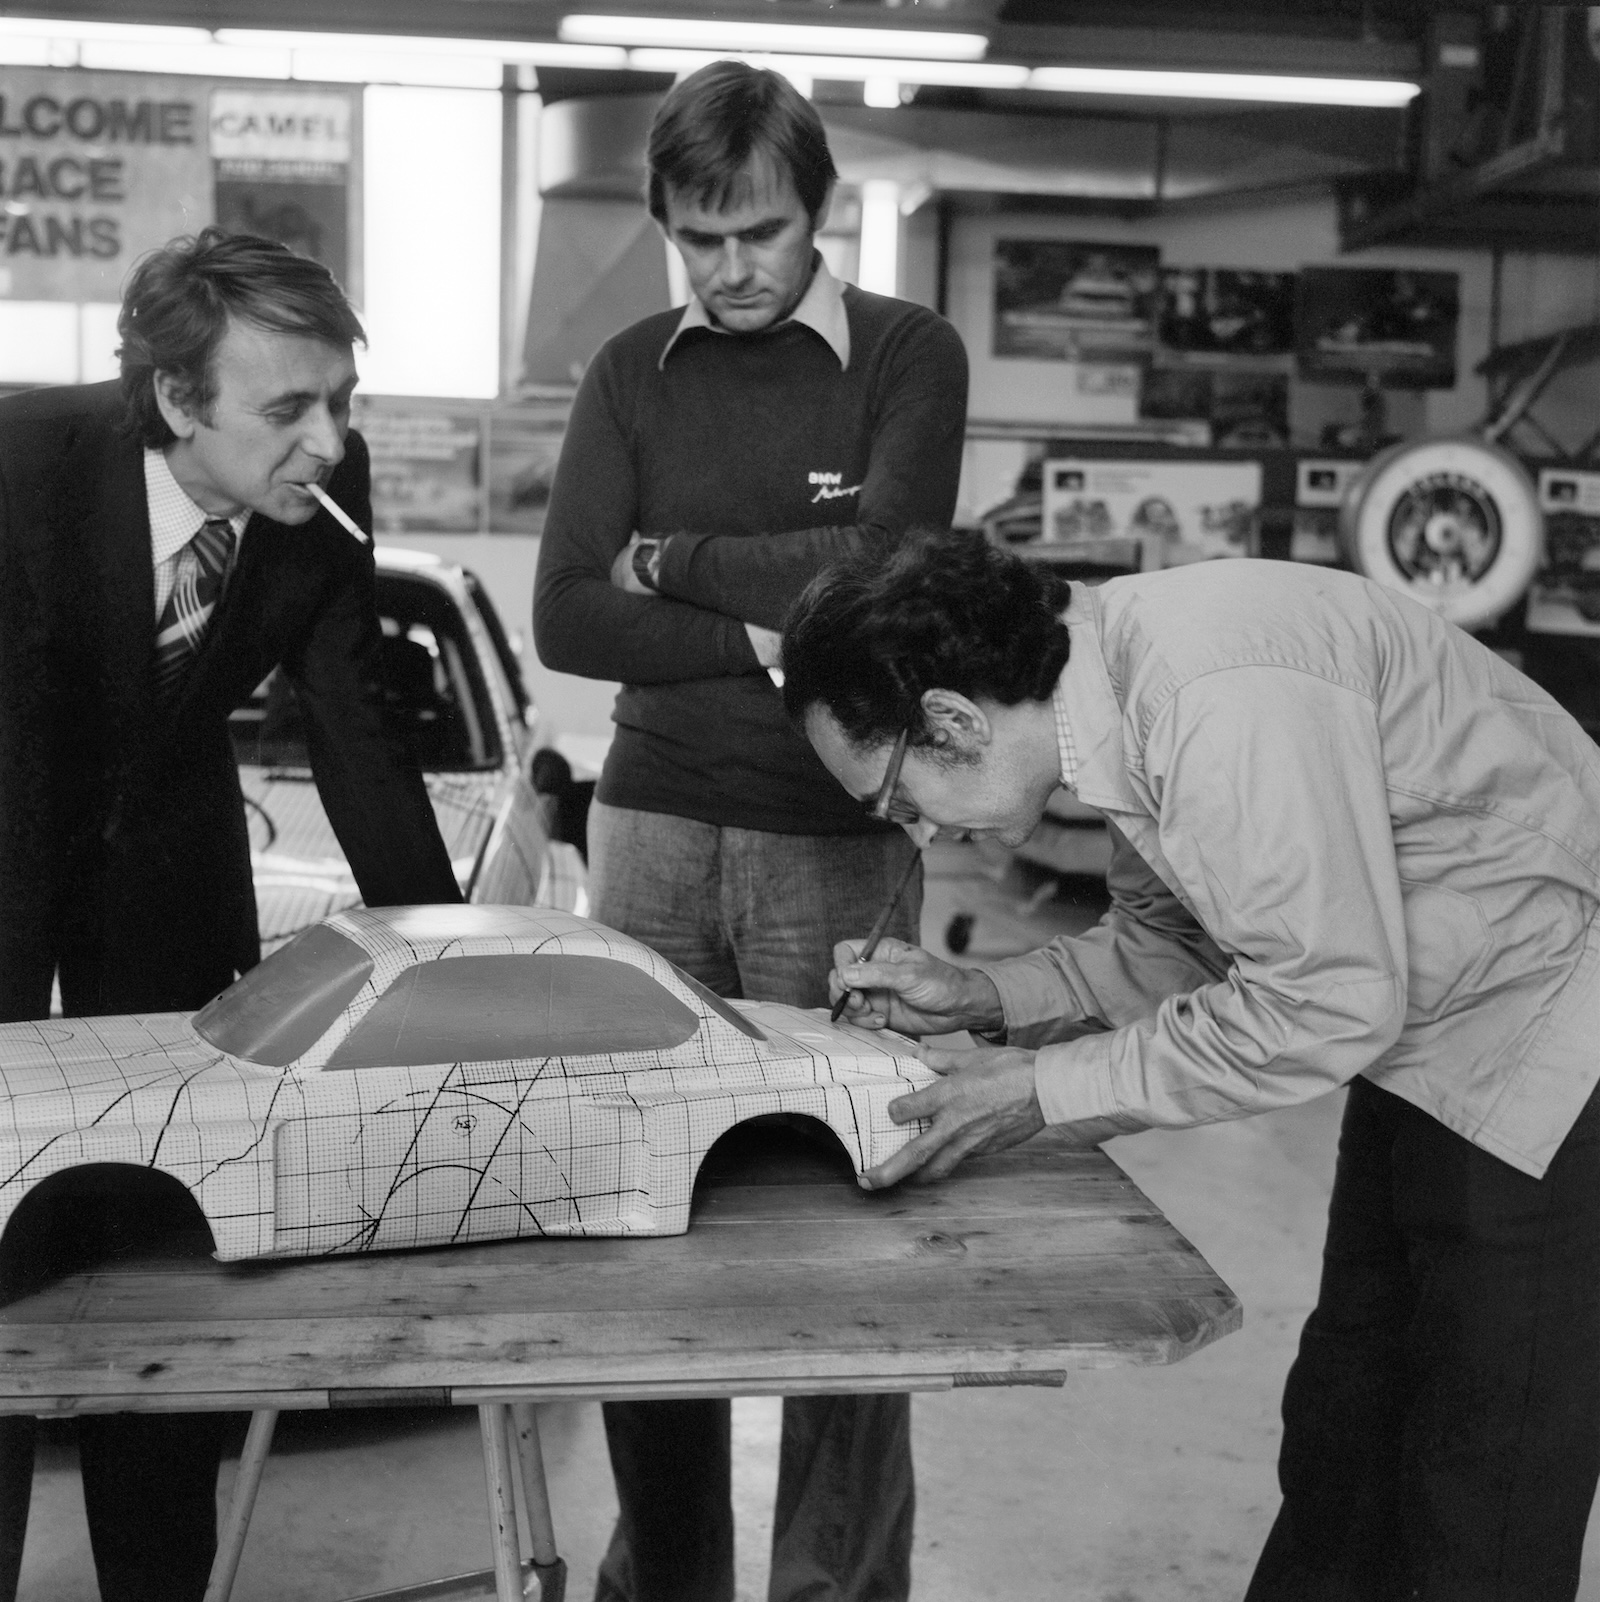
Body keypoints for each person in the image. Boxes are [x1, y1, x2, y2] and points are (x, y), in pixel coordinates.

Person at [782, 529, 1600, 1602]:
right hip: (1429, 1033)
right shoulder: (1114, 690)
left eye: (898, 801)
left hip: (1549, 1041)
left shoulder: (1210, 701)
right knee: (1345, 1424)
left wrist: (1039, 1091)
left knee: (1482, 1471)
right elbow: (1179, 941)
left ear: (954, 720)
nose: (920, 835)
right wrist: (984, 996)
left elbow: (1320, 1000)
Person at [533, 59, 967, 1602]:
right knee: (643, 1222)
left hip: (836, 843)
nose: (729, 269)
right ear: (664, 218)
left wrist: (676, 561)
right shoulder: (627, 372)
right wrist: (777, 627)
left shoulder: (908, 353)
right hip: (648, 837)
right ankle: (667, 1576)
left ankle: (836, 1586)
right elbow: (568, 612)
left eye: (762, 233)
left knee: (856, 1225)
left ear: (821, 211)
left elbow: (891, 565)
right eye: (698, 236)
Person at [0, 227, 463, 1602]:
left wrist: (449, 960)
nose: (330, 441)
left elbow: (355, 731)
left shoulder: (321, 486)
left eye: (343, 400)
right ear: (175, 397)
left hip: (173, 872)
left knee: (163, 1248)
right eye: (289, 409)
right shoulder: (22, 464)